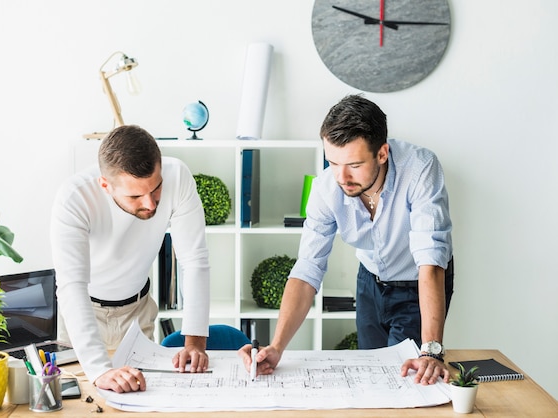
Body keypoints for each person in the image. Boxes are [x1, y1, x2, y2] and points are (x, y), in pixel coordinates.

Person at [239, 94, 454, 385]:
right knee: (374, 373)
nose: (342, 176)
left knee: (409, 378)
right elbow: (306, 271)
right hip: (370, 281)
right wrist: (277, 347)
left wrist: (432, 351)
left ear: (382, 153)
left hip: (418, 282)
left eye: (353, 164)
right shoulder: (326, 188)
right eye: (332, 162)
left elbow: (430, 260)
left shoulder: (420, 169)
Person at [50, 125, 211, 393]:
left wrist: (194, 343)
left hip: (137, 312)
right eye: (135, 195)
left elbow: (194, 260)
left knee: (138, 398)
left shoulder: (178, 176)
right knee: (80, 403)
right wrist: (99, 369)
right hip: (81, 315)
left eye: (156, 188)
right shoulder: (74, 198)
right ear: (105, 185)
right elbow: (72, 285)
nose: (150, 204)